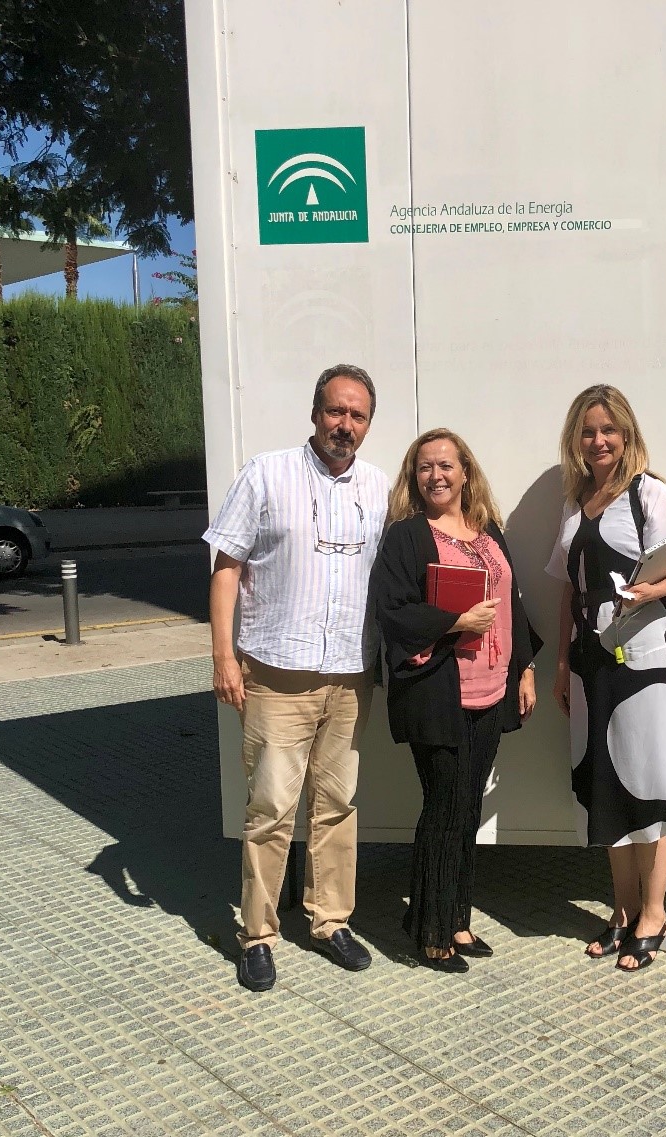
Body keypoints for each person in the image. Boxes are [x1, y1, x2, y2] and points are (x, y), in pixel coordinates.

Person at [205, 363, 388, 992]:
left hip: (350, 675)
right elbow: (226, 566)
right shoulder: (266, 473)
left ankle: (330, 920)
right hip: (277, 674)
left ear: (367, 425)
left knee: (337, 805)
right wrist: (224, 656)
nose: (345, 424)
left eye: (357, 415)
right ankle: (257, 934)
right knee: (271, 808)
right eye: (336, 411)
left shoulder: (379, 488)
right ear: (315, 414)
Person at [546, 385, 666, 971]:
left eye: (608, 429)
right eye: (588, 431)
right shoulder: (576, 502)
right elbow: (569, 590)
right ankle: (621, 910)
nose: (599, 440)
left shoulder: (649, 494)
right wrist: (561, 663)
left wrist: (649, 591)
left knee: (654, 784)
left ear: (626, 434)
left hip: (648, 662)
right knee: (607, 785)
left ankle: (655, 915)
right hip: (592, 666)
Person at [372, 428, 539, 972]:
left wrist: (525, 667)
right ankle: (430, 931)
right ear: (413, 477)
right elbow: (392, 610)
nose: (436, 475)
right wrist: (455, 621)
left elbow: (512, 602)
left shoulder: (488, 531)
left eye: (446, 465)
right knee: (444, 806)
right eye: (424, 467)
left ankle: (456, 918)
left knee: (468, 807)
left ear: (466, 471)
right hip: (438, 694)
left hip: (491, 691)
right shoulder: (407, 537)